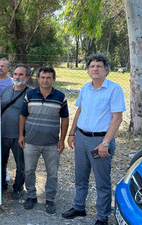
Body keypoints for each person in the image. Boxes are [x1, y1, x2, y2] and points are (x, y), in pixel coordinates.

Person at [62, 53, 125, 225]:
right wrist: (72, 133)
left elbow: (117, 118)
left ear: (106, 70)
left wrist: (105, 143)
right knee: (81, 176)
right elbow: (79, 111)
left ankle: (102, 217)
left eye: (99, 66)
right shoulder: (85, 88)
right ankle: (79, 207)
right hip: (81, 138)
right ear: (88, 70)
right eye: (92, 66)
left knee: (102, 181)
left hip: (100, 142)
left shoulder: (114, 89)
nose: (95, 69)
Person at [19, 66, 69, 214]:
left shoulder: (61, 97)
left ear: (53, 79)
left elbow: (65, 119)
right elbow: (22, 115)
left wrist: (62, 139)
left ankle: (50, 199)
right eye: (42, 77)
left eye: (48, 77)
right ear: (38, 79)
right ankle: (31, 196)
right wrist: (21, 135)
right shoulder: (30, 95)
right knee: (28, 171)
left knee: (52, 173)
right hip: (31, 141)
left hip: (52, 143)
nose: (45, 80)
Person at [0, 64, 31, 199]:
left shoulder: (31, 93)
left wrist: (23, 134)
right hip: (2, 134)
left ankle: (17, 188)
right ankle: (1, 184)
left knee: (21, 164)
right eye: (16, 74)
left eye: (21, 74)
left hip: (20, 136)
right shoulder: (5, 90)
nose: (17, 77)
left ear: (27, 77)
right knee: (0, 161)